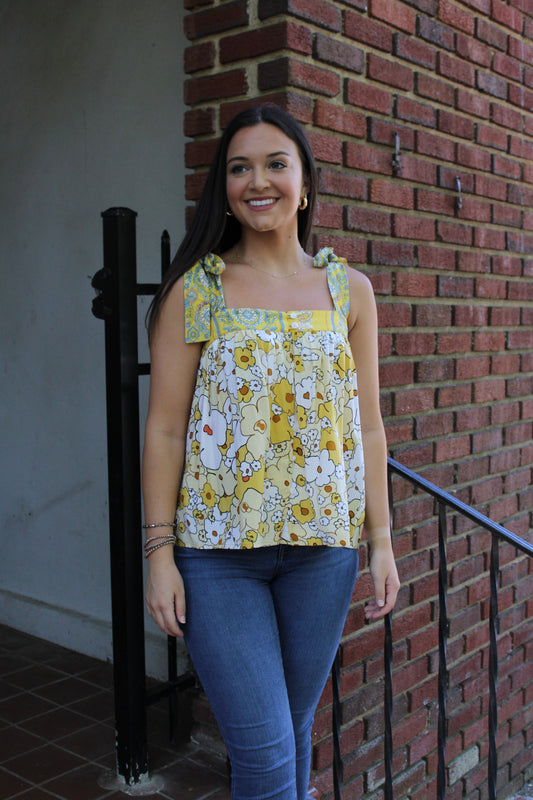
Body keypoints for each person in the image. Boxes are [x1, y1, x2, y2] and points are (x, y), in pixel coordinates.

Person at [142, 104, 400, 800]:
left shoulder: (347, 291)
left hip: (322, 554)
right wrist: (159, 554)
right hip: (218, 560)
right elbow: (164, 431)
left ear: (305, 181)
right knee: (262, 756)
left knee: (290, 734)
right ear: (222, 187)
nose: (257, 180)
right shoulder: (196, 291)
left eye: (274, 163)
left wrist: (380, 542)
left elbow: (367, 426)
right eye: (238, 167)